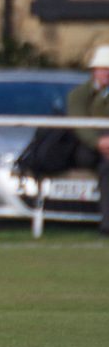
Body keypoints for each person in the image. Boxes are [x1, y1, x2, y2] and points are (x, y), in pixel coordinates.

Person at [66, 44, 109, 235]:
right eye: (103, 69)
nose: (106, 74)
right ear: (94, 71)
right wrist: (98, 143)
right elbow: (80, 124)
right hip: (87, 148)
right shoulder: (79, 95)